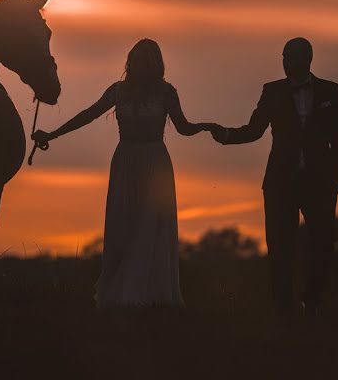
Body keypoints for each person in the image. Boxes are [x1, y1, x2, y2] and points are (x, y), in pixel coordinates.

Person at [32, 38, 218, 307]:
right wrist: (53, 134)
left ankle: (144, 294)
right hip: (125, 163)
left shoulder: (167, 93)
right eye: (138, 59)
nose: (142, 64)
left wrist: (207, 126)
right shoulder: (118, 91)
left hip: (155, 166)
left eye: (148, 59)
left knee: (150, 227)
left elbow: (183, 127)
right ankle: (124, 294)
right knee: (124, 227)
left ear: (156, 64)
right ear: (131, 62)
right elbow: (88, 114)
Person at [212, 37, 338, 318]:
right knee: (279, 249)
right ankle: (284, 311)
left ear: (307, 59)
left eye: (291, 58)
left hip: (319, 184)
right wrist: (225, 135)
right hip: (280, 183)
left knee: (323, 244)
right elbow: (254, 130)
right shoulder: (272, 92)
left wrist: (336, 181)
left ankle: (311, 301)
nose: (286, 64)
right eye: (284, 58)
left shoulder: (331, 92)